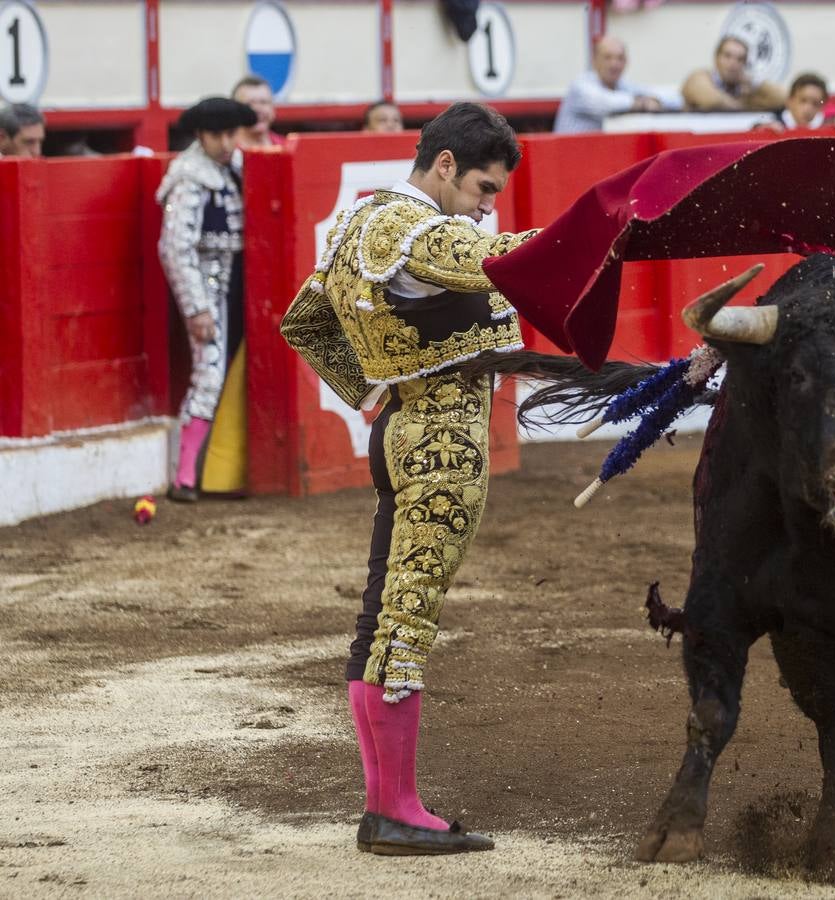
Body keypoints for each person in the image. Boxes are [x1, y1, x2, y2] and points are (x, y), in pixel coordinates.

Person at [280, 102, 541, 856]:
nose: (488, 207)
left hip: (403, 428)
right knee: (407, 621)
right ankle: (394, 809)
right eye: (485, 189)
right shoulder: (417, 228)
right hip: (441, 444)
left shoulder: (360, 225)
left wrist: (373, 390)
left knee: (383, 619)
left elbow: (306, 320)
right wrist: (595, 238)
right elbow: (490, 261)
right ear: (447, 165)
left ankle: (387, 804)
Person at [156, 98, 257, 502]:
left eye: (232, 133)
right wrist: (196, 307)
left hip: (238, 285)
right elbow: (175, 248)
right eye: (217, 135)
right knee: (210, 372)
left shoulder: (233, 167)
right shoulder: (191, 177)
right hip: (210, 285)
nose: (227, 142)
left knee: (231, 367)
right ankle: (185, 478)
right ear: (200, 134)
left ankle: (222, 471)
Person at [554, 35, 677, 134]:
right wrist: (642, 103)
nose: (614, 64)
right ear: (594, 60)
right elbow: (606, 102)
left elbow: (665, 95)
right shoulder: (581, 85)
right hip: (567, 158)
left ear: (626, 62)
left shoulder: (623, 86)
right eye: (607, 58)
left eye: (620, 58)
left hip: (594, 155)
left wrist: (655, 100)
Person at [681, 34, 786, 112]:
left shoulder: (746, 86)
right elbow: (712, 101)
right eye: (727, 56)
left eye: (740, 59)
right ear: (716, 58)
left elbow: (784, 98)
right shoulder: (699, 77)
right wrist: (745, 105)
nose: (733, 63)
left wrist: (753, 82)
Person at [231, 75, 286, 147]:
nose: (257, 109)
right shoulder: (227, 153)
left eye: (263, 102)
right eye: (249, 104)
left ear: (273, 109)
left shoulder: (286, 147)